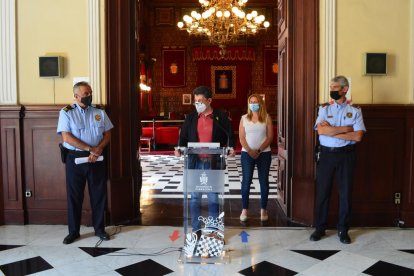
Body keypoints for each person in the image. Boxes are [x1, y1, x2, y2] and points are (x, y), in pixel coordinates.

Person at [310, 75, 366, 244]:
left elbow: (357, 136)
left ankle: (343, 230)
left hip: (346, 156)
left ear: (345, 89)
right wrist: (344, 129)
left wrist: (332, 130)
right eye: (331, 87)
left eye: (335, 88)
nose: (332, 90)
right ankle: (320, 228)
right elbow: (321, 131)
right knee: (322, 193)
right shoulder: (324, 109)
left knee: (345, 194)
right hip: (326, 155)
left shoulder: (355, 111)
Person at [57, 81, 114, 244]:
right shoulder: (66, 112)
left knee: (99, 195)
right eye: (86, 94)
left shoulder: (99, 111)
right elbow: (66, 137)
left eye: (90, 93)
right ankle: (73, 232)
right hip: (75, 159)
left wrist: (98, 149)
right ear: (76, 96)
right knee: (74, 196)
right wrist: (91, 149)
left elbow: (108, 134)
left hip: (97, 158)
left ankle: (99, 229)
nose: (89, 96)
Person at [174, 86, 235, 231]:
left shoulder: (220, 116)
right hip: (195, 162)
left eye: (200, 101)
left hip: (213, 162)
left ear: (209, 101)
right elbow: (183, 137)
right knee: (195, 197)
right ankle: (196, 229)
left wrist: (231, 147)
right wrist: (179, 149)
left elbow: (229, 134)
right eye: (195, 101)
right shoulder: (191, 117)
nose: (197, 104)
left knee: (214, 197)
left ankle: (213, 230)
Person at [238, 94, 273, 222]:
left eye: (256, 102)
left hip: (264, 154)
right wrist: (249, 150)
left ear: (260, 103)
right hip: (246, 154)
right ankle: (244, 209)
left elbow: (270, 137)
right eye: (251, 102)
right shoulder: (244, 118)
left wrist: (258, 150)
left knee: (264, 182)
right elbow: (241, 137)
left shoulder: (267, 118)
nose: (253, 104)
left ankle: (263, 209)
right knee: (246, 181)